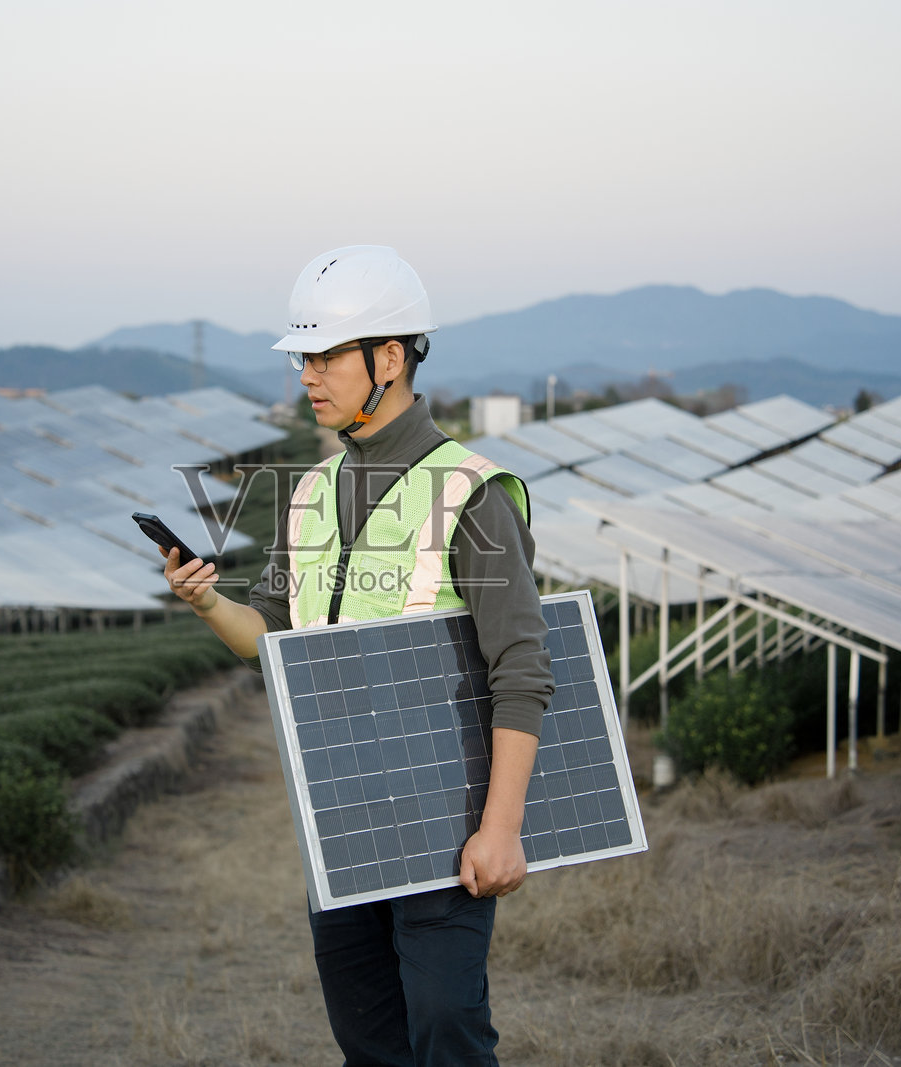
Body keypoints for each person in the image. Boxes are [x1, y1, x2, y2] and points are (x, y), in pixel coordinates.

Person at [161, 245, 553, 1066]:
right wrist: (208, 602)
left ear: (390, 358)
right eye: (302, 359)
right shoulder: (309, 492)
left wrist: (501, 830)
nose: (307, 377)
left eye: (326, 357)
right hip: (340, 817)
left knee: (445, 1028)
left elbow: (521, 670)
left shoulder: (473, 492)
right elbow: (273, 640)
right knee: (367, 1040)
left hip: (445, 822)